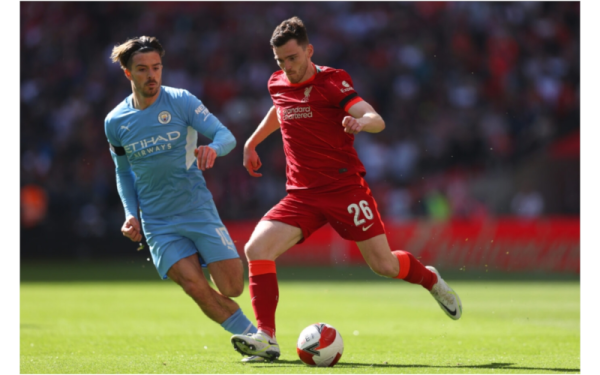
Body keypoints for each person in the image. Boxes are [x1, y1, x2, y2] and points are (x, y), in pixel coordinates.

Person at [230, 17, 462, 362]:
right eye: (280, 61)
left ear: (309, 51)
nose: (287, 67)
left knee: (383, 265)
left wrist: (360, 122)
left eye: (293, 58)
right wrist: (252, 142)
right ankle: (266, 338)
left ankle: (431, 279)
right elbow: (281, 108)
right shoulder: (277, 82)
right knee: (257, 248)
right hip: (303, 194)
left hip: (344, 189)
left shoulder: (333, 82)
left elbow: (375, 118)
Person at [104, 36, 257, 338]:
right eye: (143, 69)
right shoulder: (115, 122)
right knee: (193, 286)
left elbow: (226, 135)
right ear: (128, 73)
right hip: (157, 220)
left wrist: (213, 148)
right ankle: (253, 338)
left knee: (233, 287)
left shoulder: (181, 101)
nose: (152, 76)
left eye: (157, 68)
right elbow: (122, 172)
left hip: (196, 207)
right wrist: (129, 213)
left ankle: (201, 253)